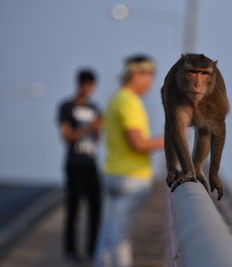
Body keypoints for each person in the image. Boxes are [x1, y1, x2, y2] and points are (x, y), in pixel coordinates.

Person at [95, 55, 164, 267]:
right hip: (131, 178)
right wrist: (170, 140)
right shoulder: (130, 102)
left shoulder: (115, 98)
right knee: (119, 235)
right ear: (135, 75)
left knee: (108, 230)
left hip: (112, 173)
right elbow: (138, 144)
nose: (150, 83)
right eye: (148, 77)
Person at [57, 69, 102, 262]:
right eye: (85, 84)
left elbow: (97, 139)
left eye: (91, 85)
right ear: (79, 84)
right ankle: (71, 250)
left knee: (96, 209)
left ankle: (93, 250)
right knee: (74, 208)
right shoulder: (66, 106)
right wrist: (88, 127)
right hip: (74, 163)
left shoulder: (95, 108)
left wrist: (98, 129)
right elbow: (66, 136)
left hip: (91, 164)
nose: (88, 89)